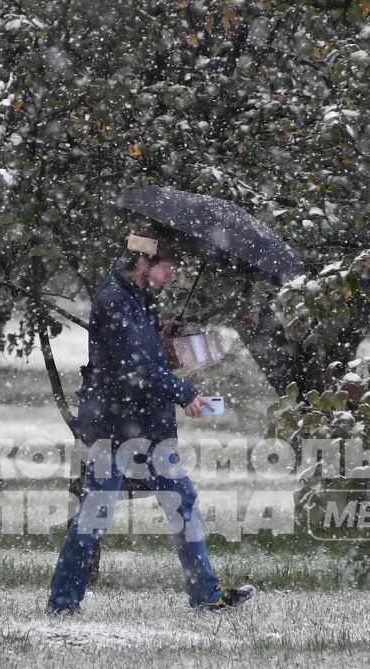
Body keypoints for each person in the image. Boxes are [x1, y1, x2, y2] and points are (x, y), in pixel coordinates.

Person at [45, 229, 255, 614]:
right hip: (114, 428)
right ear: (143, 263)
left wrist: (162, 338)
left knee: (183, 500)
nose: (172, 274)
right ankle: (62, 602)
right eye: (168, 266)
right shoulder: (114, 302)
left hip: (145, 427)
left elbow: (140, 354)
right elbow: (134, 368)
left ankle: (205, 594)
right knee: (95, 513)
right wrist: (186, 394)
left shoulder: (139, 300)